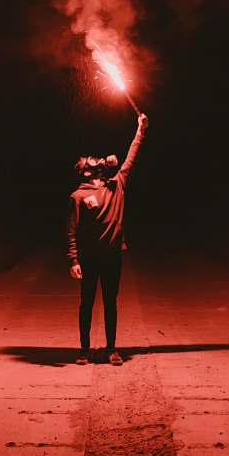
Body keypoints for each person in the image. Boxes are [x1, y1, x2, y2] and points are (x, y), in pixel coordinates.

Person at [67, 112, 148, 365]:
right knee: (86, 303)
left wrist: (140, 130)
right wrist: (74, 260)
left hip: (112, 257)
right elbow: (71, 231)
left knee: (111, 303)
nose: (99, 163)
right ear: (88, 173)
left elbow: (131, 159)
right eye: (93, 163)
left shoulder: (117, 185)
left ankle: (112, 349)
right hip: (90, 259)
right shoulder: (78, 197)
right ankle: (84, 350)